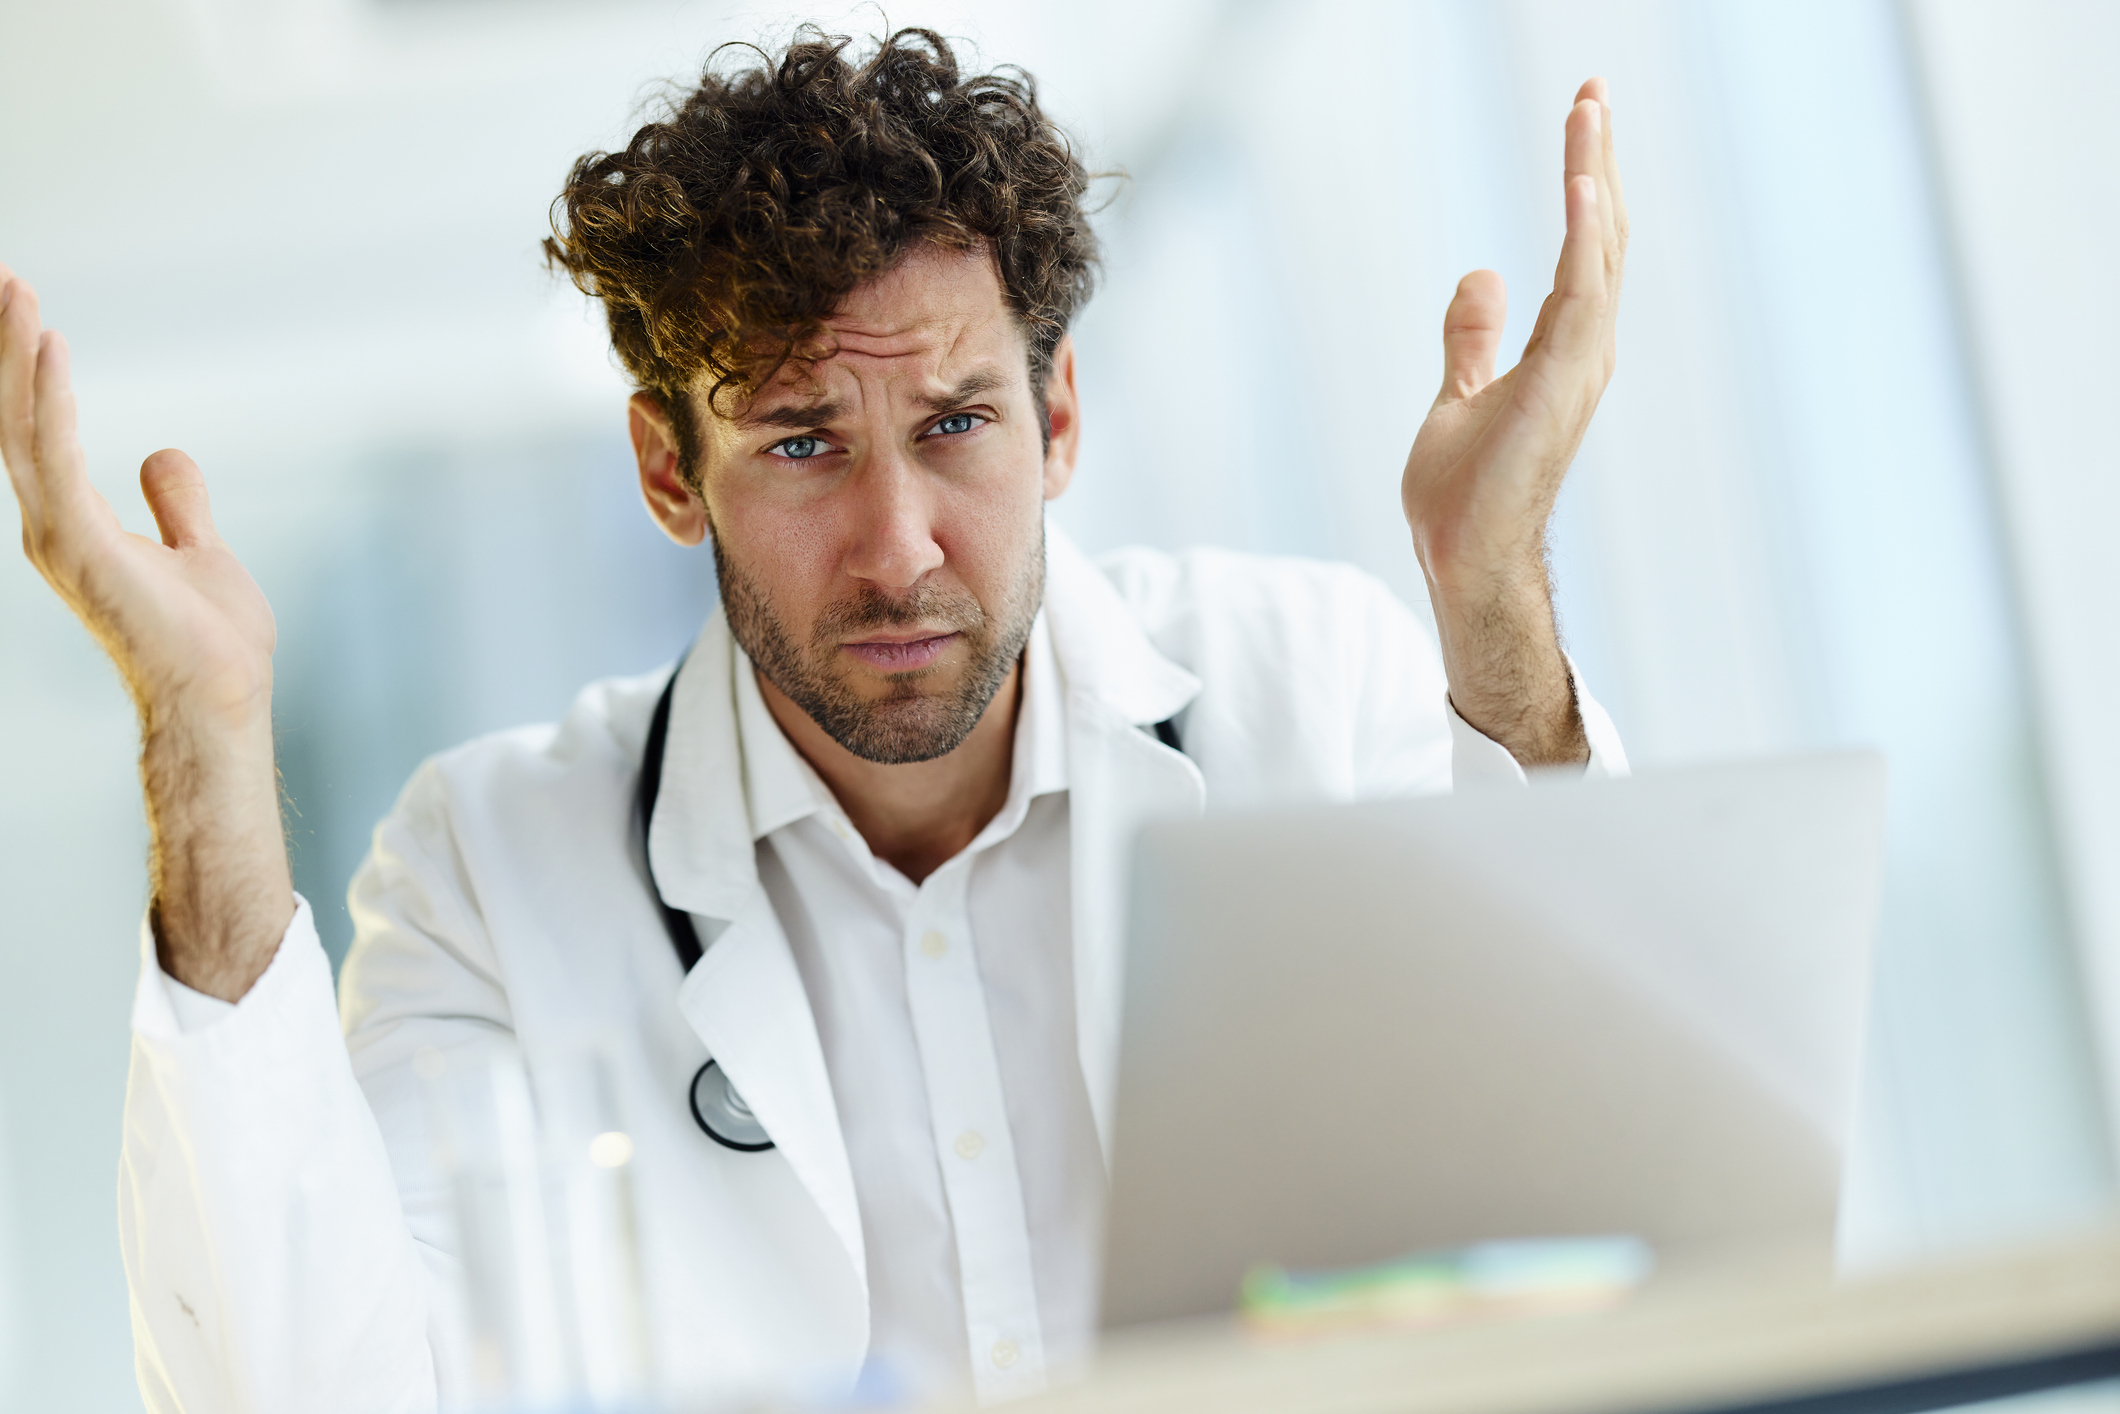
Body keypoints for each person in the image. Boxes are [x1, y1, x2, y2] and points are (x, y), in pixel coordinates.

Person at [0, 25, 1630, 1413]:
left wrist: (1489, 602)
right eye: (799, 442)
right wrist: (200, 737)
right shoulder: (492, 870)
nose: (900, 541)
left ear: (1057, 418)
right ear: (664, 468)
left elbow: (1608, 1164)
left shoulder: (1310, 692)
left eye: (957, 420)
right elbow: (306, 1390)